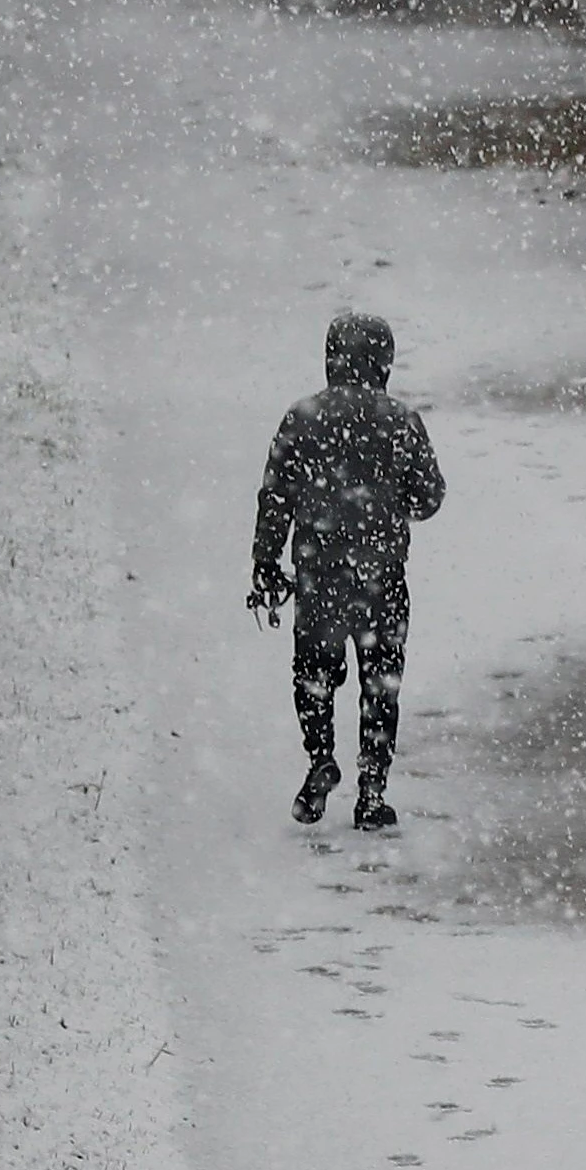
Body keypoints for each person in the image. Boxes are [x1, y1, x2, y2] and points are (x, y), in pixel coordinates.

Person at [250, 311, 446, 830]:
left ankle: (320, 760)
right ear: (384, 360)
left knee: (313, 676)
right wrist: (392, 499)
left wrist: (265, 563)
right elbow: (429, 499)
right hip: (381, 578)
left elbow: (275, 497)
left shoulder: (302, 417)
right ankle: (372, 792)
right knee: (380, 684)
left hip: (319, 577)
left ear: (331, 358)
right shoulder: (400, 420)